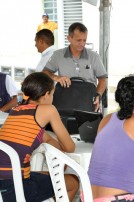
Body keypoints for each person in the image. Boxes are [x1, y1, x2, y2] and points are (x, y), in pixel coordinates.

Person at [0, 72, 79, 202]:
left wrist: (61, 153)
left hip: (4, 187)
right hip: (14, 188)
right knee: (73, 182)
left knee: (51, 175)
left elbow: (46, 138)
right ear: (47, 94)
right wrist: (64, 152)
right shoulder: (48, 109)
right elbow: (70, 147)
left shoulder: (16, 110)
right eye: (53, 94)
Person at [43, 22, 107, 111]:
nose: (82, 43)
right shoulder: (58, 55)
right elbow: (45, 72)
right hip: (64, 102)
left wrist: (98, 95)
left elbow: (103, 79)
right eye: (78, 40)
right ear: (69, 38)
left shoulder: (94, 57)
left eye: (84, 40)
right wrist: (56, 77)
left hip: (87, 101)